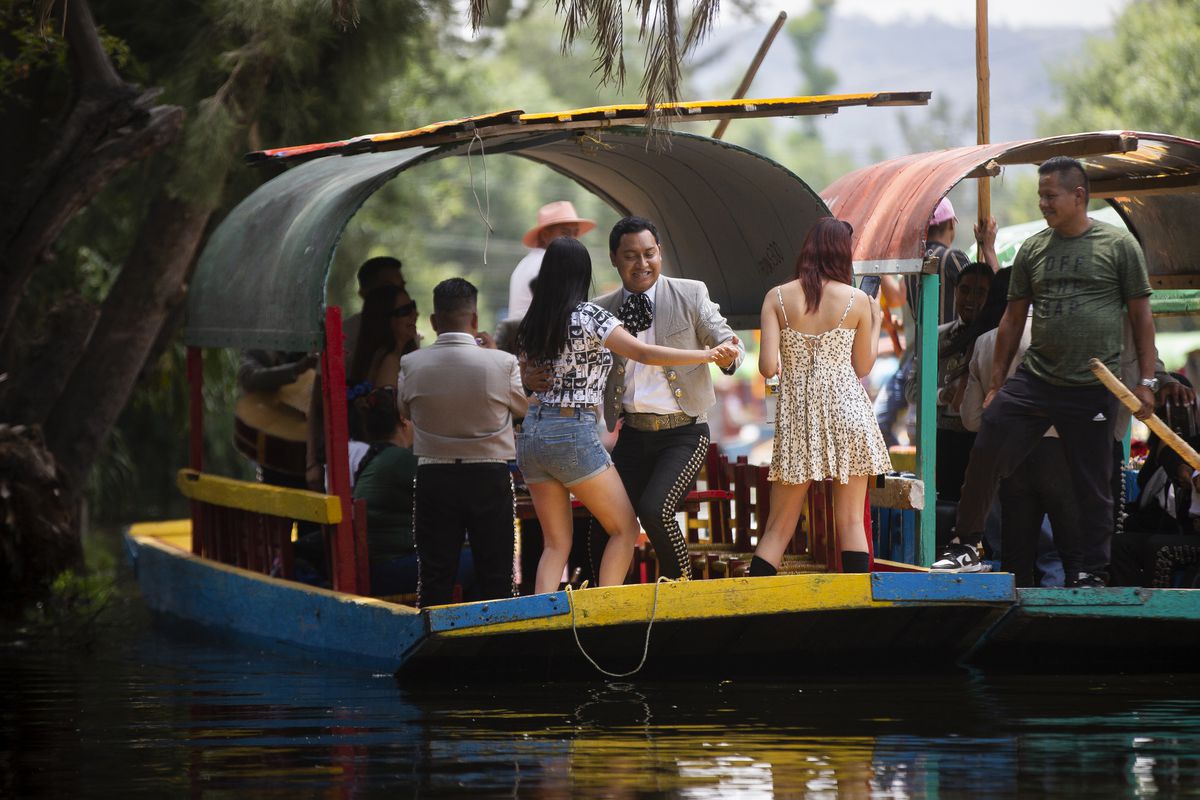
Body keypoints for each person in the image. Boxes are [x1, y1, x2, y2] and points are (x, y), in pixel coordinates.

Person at [934, 156, 1158, 586]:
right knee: (988, 443)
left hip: (1092, 384)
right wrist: (997, 384)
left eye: (1050, 196)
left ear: (1078, 196)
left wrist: (1146, 382)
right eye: (1040, 196)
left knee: (1094, 484)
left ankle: (1092, 570)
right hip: (1036, 380)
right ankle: (966, 544)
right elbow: (1011, 321)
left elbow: (1141, 317)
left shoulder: (1118, 247)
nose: (1043, 204)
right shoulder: (1034, 249)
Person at [515, 237, 737, 593]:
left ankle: (542, 625)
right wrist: (705, 356)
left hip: (532, 435)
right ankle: (606, 609)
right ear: (584, 272)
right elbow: (645, 354)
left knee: (555, 544)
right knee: (625, 528)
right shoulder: (590, 315)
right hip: (572, 432)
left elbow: (525, 379)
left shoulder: (531, 323)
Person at [583, 216, 745, 580]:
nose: (642, 264)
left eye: (649, 253)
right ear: (613, 258)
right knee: (602, 522)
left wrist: (730, 354)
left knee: (654, 510)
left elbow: (726, 338)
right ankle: (607, 605)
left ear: (660, 253)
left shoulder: (691, 293)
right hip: (632, 434)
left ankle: (682, 593)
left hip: (684, 433)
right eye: (630, 256)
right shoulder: (600, 308)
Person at [748, 217, 892, 576]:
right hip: (849, 412)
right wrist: (874, 321)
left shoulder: (776, 297)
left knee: (778, 527)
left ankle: (752, 614)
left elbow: (767, 367)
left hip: (799, 416)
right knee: (851, 524)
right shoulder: (858, 300)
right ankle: (857, 612)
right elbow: (861, 366)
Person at [397, 278, 528, 607]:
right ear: (474, 320)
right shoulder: (503, 363)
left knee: (435, 576)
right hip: (489, 477)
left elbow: (404, 410)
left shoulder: (410, 364)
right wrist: (495, 354)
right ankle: (499, 649)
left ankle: (435, 653)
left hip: (434, 477)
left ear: (433, 322)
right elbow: (523, 408)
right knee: (496, 575)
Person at [507, 201, 596, 321]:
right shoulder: (549, 265)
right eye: (565, 233)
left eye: (575, 233)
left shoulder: (528, 262)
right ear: (545, 235)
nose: (573, 240)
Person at [347, 284, 419, 392]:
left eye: (413, 306)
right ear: (384, 320)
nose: (415, 314)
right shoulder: (390, 362)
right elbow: (387, 407)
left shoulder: (395, 356)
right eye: (405, 310)